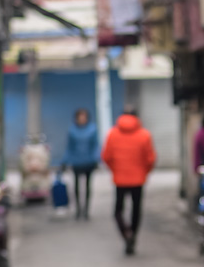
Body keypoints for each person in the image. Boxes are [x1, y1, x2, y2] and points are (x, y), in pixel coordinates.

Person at [101, 108, 156, 253]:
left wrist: (115, 170)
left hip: (120, 179)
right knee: (136, 209)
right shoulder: (144, 135)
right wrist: (144, 172)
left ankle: (125, 233)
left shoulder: (112, 134)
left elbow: (106, 157)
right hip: (138, 179)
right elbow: (150, 159)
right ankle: (133, 234)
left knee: (118, 210)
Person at [64, 106, 100, 220]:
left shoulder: (92, 129)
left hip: (89, 161)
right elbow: (69, 147)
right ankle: (78, 209)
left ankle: (86, 210)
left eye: (84, 117)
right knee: (76, 187)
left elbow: (95, 145)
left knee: (88, 186)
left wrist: (96, 158)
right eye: (80, 117)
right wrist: (65, 160)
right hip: (76, 162)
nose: (82, 119)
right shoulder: (72, 130)